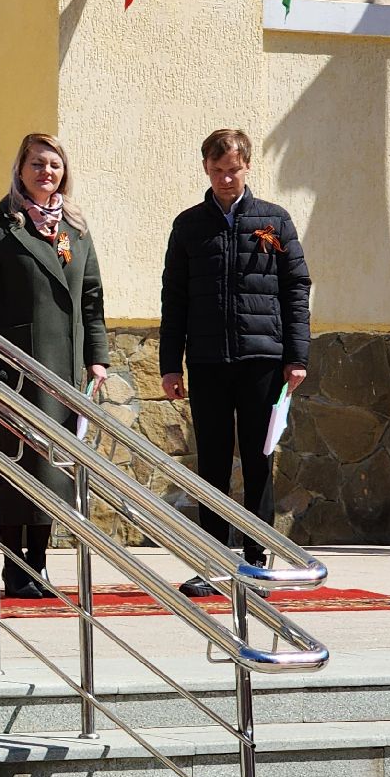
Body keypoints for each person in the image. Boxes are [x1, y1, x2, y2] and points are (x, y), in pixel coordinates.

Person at [159, 128, 310, 597]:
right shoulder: (189, 225)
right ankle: (213, 561)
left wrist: (296, 356)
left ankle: (256, 558)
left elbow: (296, 288)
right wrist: (170, 364)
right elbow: (175, 298)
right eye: (218, 169)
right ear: (206, 168)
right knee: (213, 463)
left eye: (234, 169)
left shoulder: (274, 221)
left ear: (247, 167)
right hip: (207, 361)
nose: (226, 178)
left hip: (262, 361)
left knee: (260, 459)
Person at [0, 133, 109, 598]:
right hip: (14, 367)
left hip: (63, 369)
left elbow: (91, 298)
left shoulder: (76, 228)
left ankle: (39, 564)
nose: (47, 173)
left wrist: (97, 359)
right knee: (15, 466)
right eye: (38, 164)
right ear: (20, 169)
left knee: (52, 468)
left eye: (55, 165)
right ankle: (12, 568)